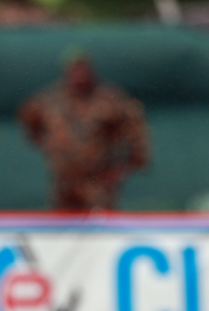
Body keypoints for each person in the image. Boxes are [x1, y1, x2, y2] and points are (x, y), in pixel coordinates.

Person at [18, 50, 150, 211]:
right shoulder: (50, 99)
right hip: (63, 182)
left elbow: (135, 128)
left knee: (100, 222)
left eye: (83, 69)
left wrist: (125, 165)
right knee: (61, 223)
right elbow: (28, 116)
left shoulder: (109, 98)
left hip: (97, 182)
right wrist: (44, 141)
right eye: (75, 69)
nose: (79, 74)